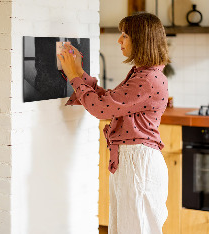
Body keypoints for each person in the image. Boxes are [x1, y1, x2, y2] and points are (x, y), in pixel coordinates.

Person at [58, 12, 170, 234]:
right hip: (133, 161)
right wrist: (79, 72)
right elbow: (109, 101)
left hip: (138, 163)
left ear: (141, 40)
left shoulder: (147, 79)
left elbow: (101, 109)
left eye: (125, 35)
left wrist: (74, 76)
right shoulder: (143, 74)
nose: (119, 40)